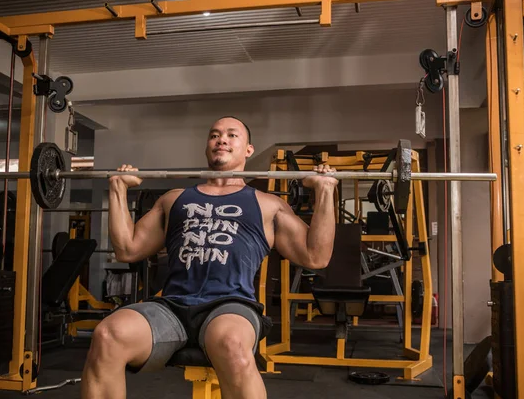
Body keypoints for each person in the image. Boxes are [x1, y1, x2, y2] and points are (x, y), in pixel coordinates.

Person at [81, 116, 337, 399]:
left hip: (230, 305)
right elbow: (127, 249)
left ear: (248, 149)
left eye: (231, 135)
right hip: (171, 306)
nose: (222, 139)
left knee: (232, 345)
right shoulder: (174, 199)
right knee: (107, 336)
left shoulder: (267, 204)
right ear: (207, 146)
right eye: (214, 135)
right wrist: (118, 188)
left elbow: (316, 257)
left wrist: (325, 191)